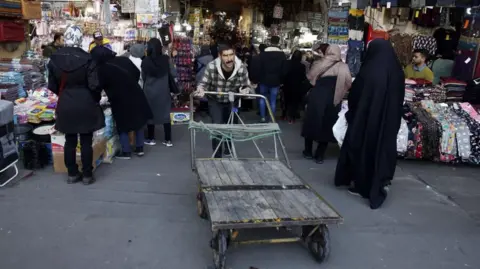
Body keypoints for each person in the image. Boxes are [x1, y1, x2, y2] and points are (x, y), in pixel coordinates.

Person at [334, 39, 405, 210]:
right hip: (388, 122)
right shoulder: (397, 72)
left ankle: (362, 185)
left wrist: (354, 113)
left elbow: (355, 95)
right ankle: (381, 179)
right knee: (382, 149)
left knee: (363, 149)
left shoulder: (369, 70)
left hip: (365, 121)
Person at [47, 25, 104, 185]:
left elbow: (52, 85)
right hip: (85, 102)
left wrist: (65, 95)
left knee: (69, 140)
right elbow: (95, 85)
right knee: (86, 140)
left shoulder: (54, 59)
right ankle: (87, 175)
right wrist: (95, 98)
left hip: (65, 102)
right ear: (80, 39)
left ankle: (72, 173)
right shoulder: (88, 58)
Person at [90, 46, 153, 159]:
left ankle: (126, 151)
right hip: (135, 92)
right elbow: (136, 72)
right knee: (138, 121)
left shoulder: (102, 69)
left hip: (120, 98)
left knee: (122, 124)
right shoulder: (124, 59)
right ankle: (139, 148)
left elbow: (99, 86)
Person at [194, 43, 252, 158]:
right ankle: (217, 154)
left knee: (230, 125)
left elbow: (245, 84)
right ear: (220, 56)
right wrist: (200, 89)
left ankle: (228, 148)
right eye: (225, 55)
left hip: (232, 100)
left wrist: (245, 90)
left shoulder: (241, 67)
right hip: (215, 100)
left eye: (231, 55)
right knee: (217, 126)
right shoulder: (212, 67)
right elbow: (203, 83)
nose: (229, 58)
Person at [302, 45, 352, 164]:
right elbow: (348, 82)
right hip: (333, 98)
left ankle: (308, 151)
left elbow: (310, 77)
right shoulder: (344, 67)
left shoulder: (320, 63)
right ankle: (319, 155)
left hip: (317, 96)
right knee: (327, 125)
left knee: (311, 122)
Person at [141, 38, 178, 147]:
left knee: (150, 115)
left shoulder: (145, 61)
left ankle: (151, 138)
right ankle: (168, 140)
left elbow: (143, 77)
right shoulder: (166, 59)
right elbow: (174, 73)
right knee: (166, 115)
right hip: (163, 90)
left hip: (149, 91)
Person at [252, 36, 287, 122]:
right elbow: (284, 69)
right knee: (273, 100)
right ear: (278, 42)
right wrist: (282, 81)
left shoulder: (263, 54)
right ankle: (271, 118)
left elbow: (258, 67)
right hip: (276, 81)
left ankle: (263, 117)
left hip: (264, 80)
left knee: (262, 98)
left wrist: (256, 79)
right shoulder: (282, 55)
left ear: (270, 41)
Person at [284, 50, 307, 124]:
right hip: (297, 86)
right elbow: (303, 77)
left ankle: (284, 115)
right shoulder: (302, 66)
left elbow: (283, 74)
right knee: (294, 102)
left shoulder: (287, 63)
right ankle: (292, 118)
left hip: (287, 84)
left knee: (286, 100)